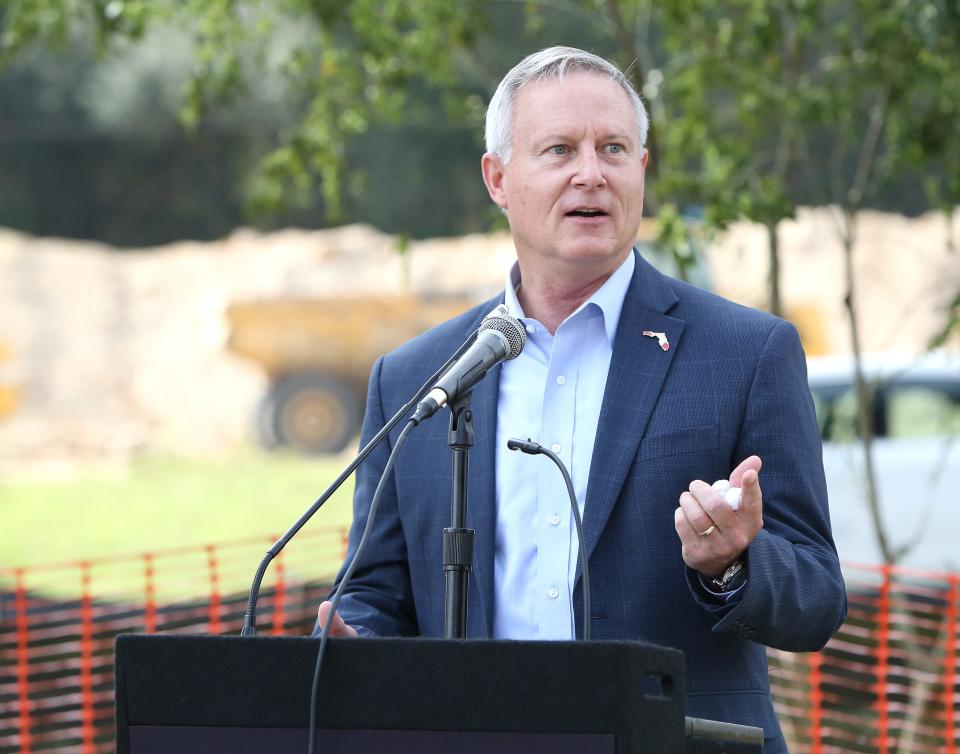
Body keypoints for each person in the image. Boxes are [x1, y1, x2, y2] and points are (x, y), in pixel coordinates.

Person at [317, 46, 846, 752]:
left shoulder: (745, 353)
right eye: (559, 149)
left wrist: (734, 564)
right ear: (498, 178)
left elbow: (815, 598)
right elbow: (375, 594)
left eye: (614, 148)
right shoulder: (418, 377)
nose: (590, 173)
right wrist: (350, 635)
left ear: (641, 172)